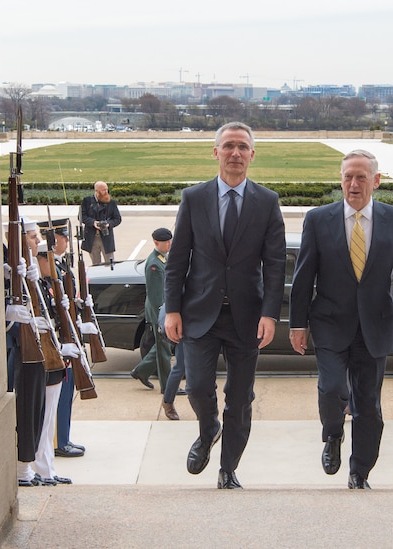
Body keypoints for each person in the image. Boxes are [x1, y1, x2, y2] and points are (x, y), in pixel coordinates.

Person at [289, 149, 393, 490]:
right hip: (330, 323)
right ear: (341, 179)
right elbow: (304, 276)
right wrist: (297, 323)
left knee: (368, 407)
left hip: (376, 328)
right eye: (348, 176)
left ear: (375, 181)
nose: (353, 184)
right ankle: (332, 435)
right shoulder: (318, 219)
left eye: (361, 177)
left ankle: (359, 471)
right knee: (332, 388)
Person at [164, 121, 286, 490]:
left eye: (243, 147)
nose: (236, 153)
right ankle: (207, 429)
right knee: (198, 388)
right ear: (216, 152)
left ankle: (228, 467)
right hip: (200, 314)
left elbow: (276, 263)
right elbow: (178, 260)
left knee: (240, 397)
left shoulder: (267, 202)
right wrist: (172, 308)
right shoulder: (194, 198)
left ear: (252, 154)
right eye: (229, 146)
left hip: (246, 318)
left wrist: (269, 313)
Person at [39, 218, 87, 459]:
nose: (67, 241)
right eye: (63, 237)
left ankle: (64, 438)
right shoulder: (45, 277)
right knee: (59, 393)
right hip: (58, 345)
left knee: (66, 393)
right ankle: (59, 441)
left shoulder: (61, 265)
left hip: (66, 339)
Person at [4, 217, 46, 487]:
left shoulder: (29, 267)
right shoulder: (5, 263)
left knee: (37, 407)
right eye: (32, 236)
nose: (38, 242)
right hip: (13, 348)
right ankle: (22, 467)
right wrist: (7, 314)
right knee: (22, 406)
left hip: (30, 346)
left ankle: (29, 466)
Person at [30, 240, 73, 486]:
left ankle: (48, 469)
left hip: (56, 358)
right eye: (50, 261)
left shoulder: (45, 285)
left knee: (48, 421)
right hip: (47, 358)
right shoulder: (37, 286)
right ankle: (41, 468)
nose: (53, 266)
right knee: (43, 420)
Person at [130, 228, 174, 400]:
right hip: (159, 311)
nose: (169, 244)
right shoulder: (155, 264)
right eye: (166, 242)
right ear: (156, 243)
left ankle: (141, 371)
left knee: (162, 345)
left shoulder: (163, 258)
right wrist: (164, 316)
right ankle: (168, 387)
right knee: (164, 349)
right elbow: (157, 297)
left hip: (162, 310)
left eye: (170, 241)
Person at [80, 181, 122, 265]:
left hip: (106, 238)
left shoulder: (111, 203)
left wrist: (108, 224)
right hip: (92, 239)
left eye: (106, 189)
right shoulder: (87, 201)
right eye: (103, 190)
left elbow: (117, 219)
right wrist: (93, 222)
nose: (106, 192)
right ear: (96, 191)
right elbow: (81, 217)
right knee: (96, 265)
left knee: (110, 264)